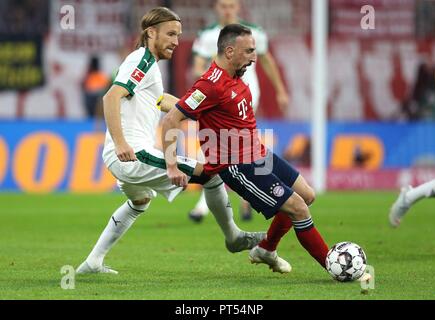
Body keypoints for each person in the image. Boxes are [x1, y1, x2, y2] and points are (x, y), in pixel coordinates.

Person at [76, 8, 264, 274]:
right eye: (171, 34)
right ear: (151, 32)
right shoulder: (140, 60)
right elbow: (110, 97)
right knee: (211, 175)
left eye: (179, 35)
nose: (176, 41)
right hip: (132, 154)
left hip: (129, 155)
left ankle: (93, 262)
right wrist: (121, 143)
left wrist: (203, 112)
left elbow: (161, 101)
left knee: (139, 202)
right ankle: (233, 236)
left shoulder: (148, 65)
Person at [162, 24, 329, 274]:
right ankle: (335, 265)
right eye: (249, 51)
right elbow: (171, 120)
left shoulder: (238, 78)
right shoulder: (209, 85)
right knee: (298, 208)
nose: (254, 56)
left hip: (258, 153)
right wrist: (172, 164)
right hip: (237, 164)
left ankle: (266, 249)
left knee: (307, 195)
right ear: (229, 51)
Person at [188, 0, 289, 222]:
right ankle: (244, 200)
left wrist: (281, 90)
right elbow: (197, 66)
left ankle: (217, 204)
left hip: (245, 95)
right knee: (233, 151)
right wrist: (212, 82)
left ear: (238, 7)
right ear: (216, 8)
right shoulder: (207, 35)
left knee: (230, 151)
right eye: (223, 5)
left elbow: (266, 61)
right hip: (220, 97)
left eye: (231, 5)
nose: (227, 10)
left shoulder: (254, 34)